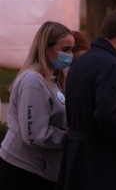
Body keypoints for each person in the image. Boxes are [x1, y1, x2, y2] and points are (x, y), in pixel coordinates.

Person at [56, 10, 116, 190]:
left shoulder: (81, 61)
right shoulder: (112, 65)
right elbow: (106, 115)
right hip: (98, 160)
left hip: (74, 156)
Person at [0, 21, 74, 190]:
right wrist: (68, 137)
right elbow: (35, 135)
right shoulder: (33, 81)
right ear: (47, 49)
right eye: (65, 50)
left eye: (71, 49)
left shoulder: (54, 78)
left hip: (41, 169)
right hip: (22, 169)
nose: (70, 55)